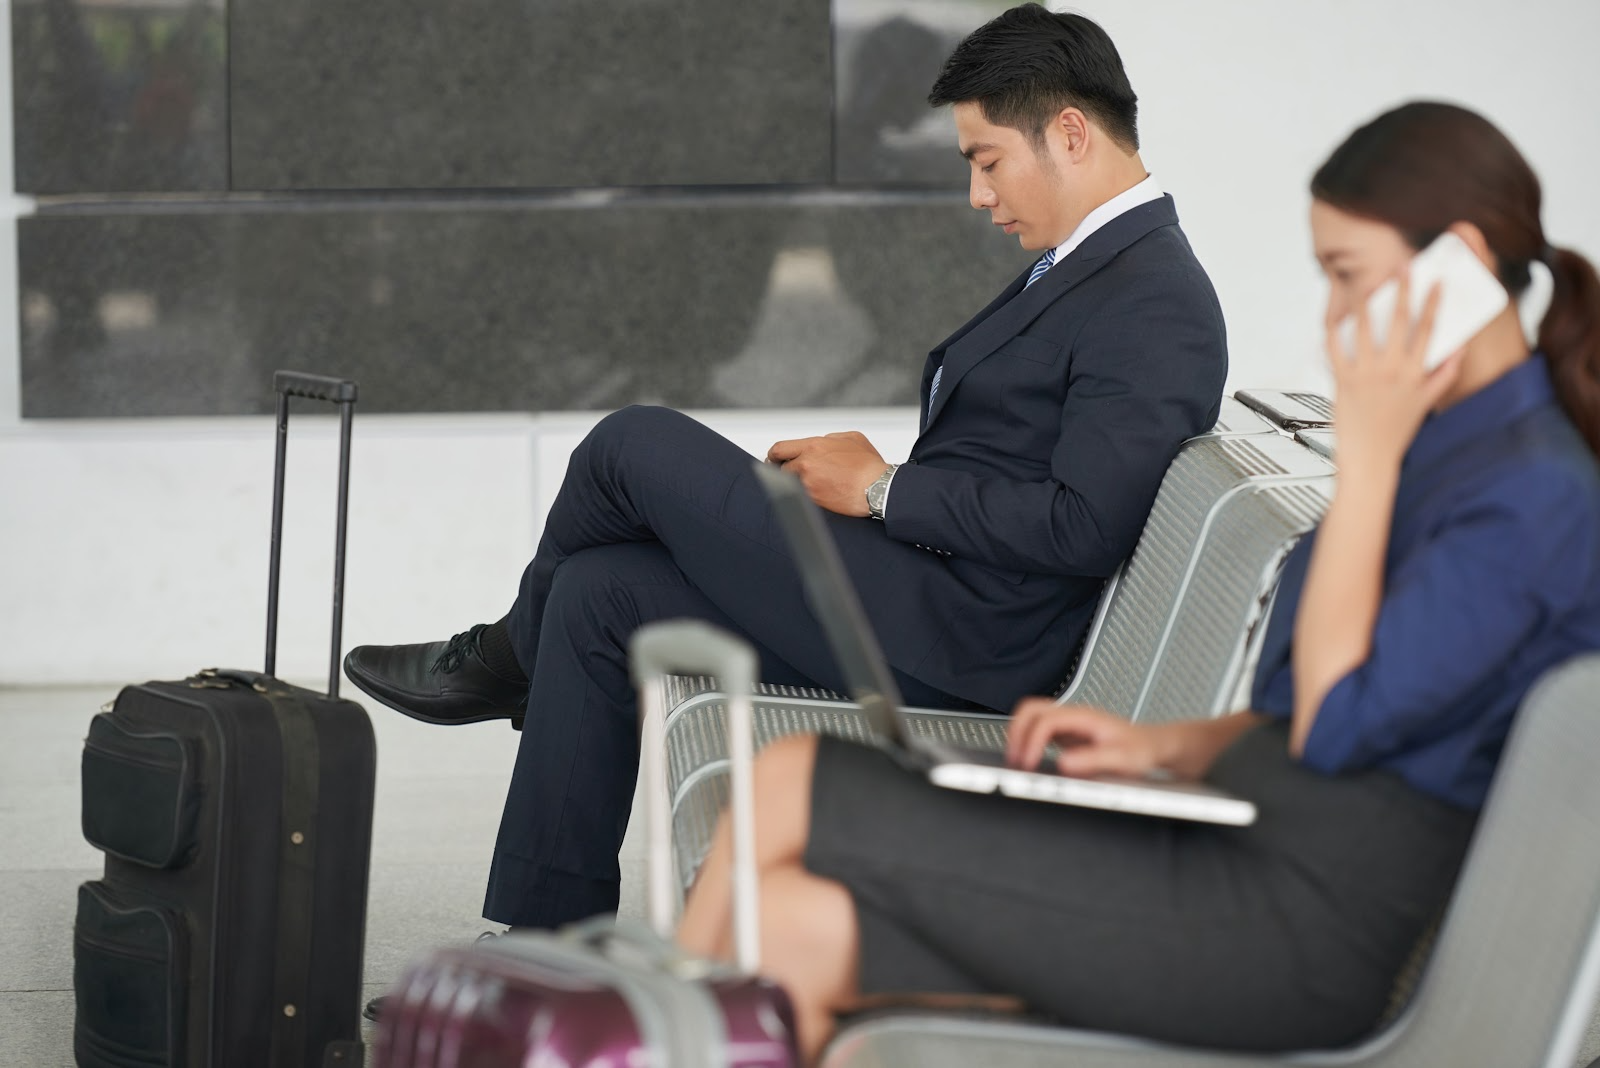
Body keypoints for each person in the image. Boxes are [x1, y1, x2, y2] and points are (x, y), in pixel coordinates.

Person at [677, 100, 1600, 1062]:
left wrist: (1365, 460)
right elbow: (1324, 715)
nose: (1332, 320)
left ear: (1459, 264)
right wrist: (1160, 749)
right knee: (784, 925)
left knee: (792, 780)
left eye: (1347, 278)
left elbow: (1335, 722)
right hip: (1239, 851)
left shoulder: (1529, 499)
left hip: (1290, 936)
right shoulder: (1455, 452)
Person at [345, 3, 1226, 941]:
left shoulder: (1154, 299)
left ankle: (497, 662)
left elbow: (1084, 526)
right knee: (598, 593)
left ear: (1071, 133)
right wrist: (880, 492)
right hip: (923, 589)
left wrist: (884, 489)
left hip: (965, 642)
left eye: (986, 161)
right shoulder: (1092, 265)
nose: (978, 194)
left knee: (631, 443)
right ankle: (546, 945)